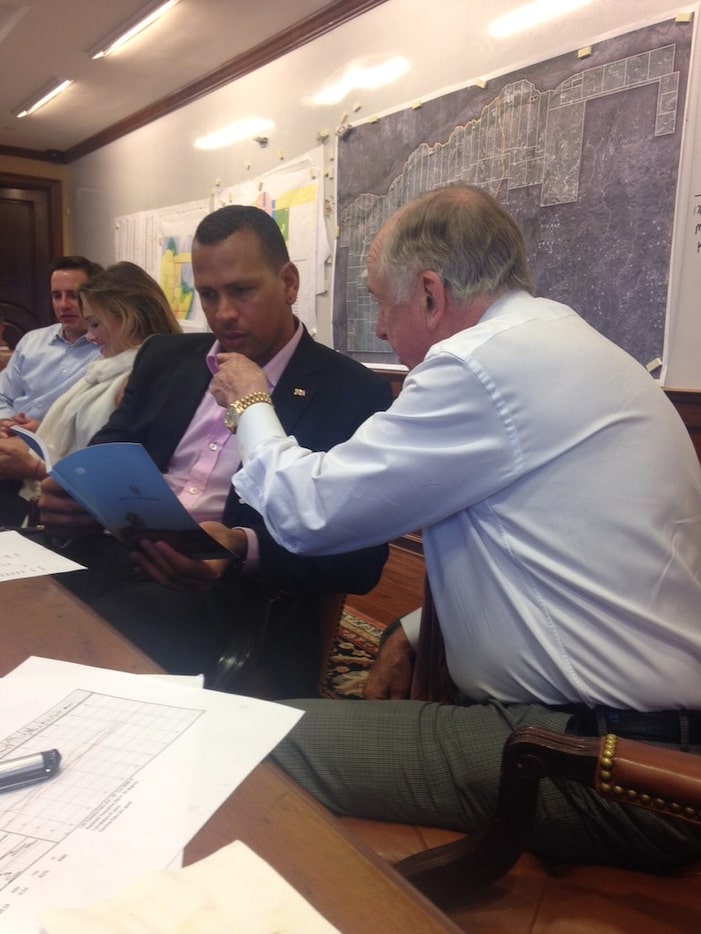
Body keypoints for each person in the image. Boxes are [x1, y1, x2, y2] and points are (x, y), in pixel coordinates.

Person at [208, 183, 701, 870]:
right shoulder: (567, 345)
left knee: (238, 742)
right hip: (643, 739)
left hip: (598, 762)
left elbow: (310, 513)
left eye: (382, 301)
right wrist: (412, 628)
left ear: (431, 295)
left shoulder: (479, 364)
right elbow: (550, 550)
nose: (378, 328)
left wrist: (251, 404)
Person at [38, 205, 392, 698]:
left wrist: (242, 547)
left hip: (226, 594)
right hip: (111, 552)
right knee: (24, 606)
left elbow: (362, 560)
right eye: (208, 294)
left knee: (78, 651)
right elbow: (107, 454)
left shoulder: (350, 391)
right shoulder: (165, 357)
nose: (223, 312)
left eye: (242, 291)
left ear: (288, 283)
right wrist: (74, 498)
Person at [0, 261, 181, 507]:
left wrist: (35, 469)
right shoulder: (109, 369)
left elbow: (119, 480)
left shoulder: (139, 378)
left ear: (128, 318)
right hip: (56, 488)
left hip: (77, 504)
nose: (90, 336)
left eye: (95, 324)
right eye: (56, 295)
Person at [0, 255, 103, 524]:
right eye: (57, 296)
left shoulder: (105, 350)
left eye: (73, 295)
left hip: (53, 449)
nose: (64, 305)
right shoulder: (33, 341)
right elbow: (3, 395)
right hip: (10, 437)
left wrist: (40, 427)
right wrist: (6, 421)